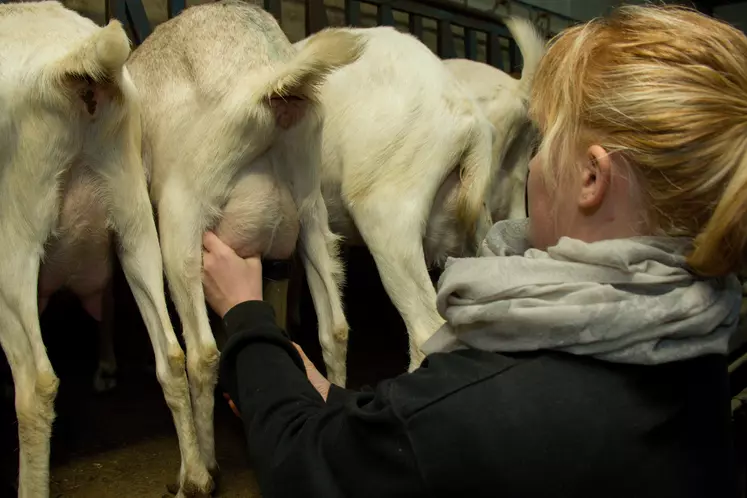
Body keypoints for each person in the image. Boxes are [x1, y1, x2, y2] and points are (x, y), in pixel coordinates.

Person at [202, 5, 745, 497]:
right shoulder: (696, 346)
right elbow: (416, 434)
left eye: (544, 139)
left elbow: (306, 466)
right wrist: (332, 396)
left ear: (591, 177)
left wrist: (247, 317)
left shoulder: (488, 402)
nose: (529, 164)